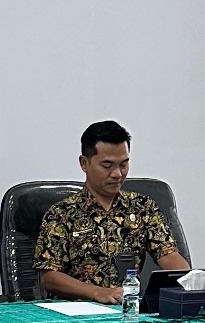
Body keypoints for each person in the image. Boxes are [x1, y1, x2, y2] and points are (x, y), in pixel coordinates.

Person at [34, 120, 188, 304]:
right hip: (76, 310)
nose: (117, 174)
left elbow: (168, 254)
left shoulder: (143, 207)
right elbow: (49, 277)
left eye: (123, 165)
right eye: (107, 166)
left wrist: (188, 281)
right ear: (84, 163)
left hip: (127, 307)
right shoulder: (61, 213)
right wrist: (97, 292)